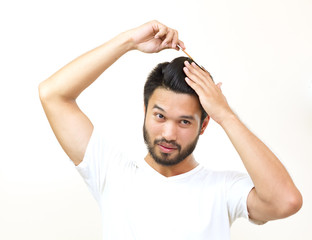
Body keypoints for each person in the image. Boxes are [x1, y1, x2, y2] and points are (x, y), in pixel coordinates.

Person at [39, 20, 302, 239]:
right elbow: (53, 94)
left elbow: (285, 201)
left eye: (184, 121)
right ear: (145, 112)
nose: (168, 134)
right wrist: (128, 42)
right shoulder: (111, 172)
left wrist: (226, 115)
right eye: (160, 116)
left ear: (204, 124)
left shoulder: (222, 189)